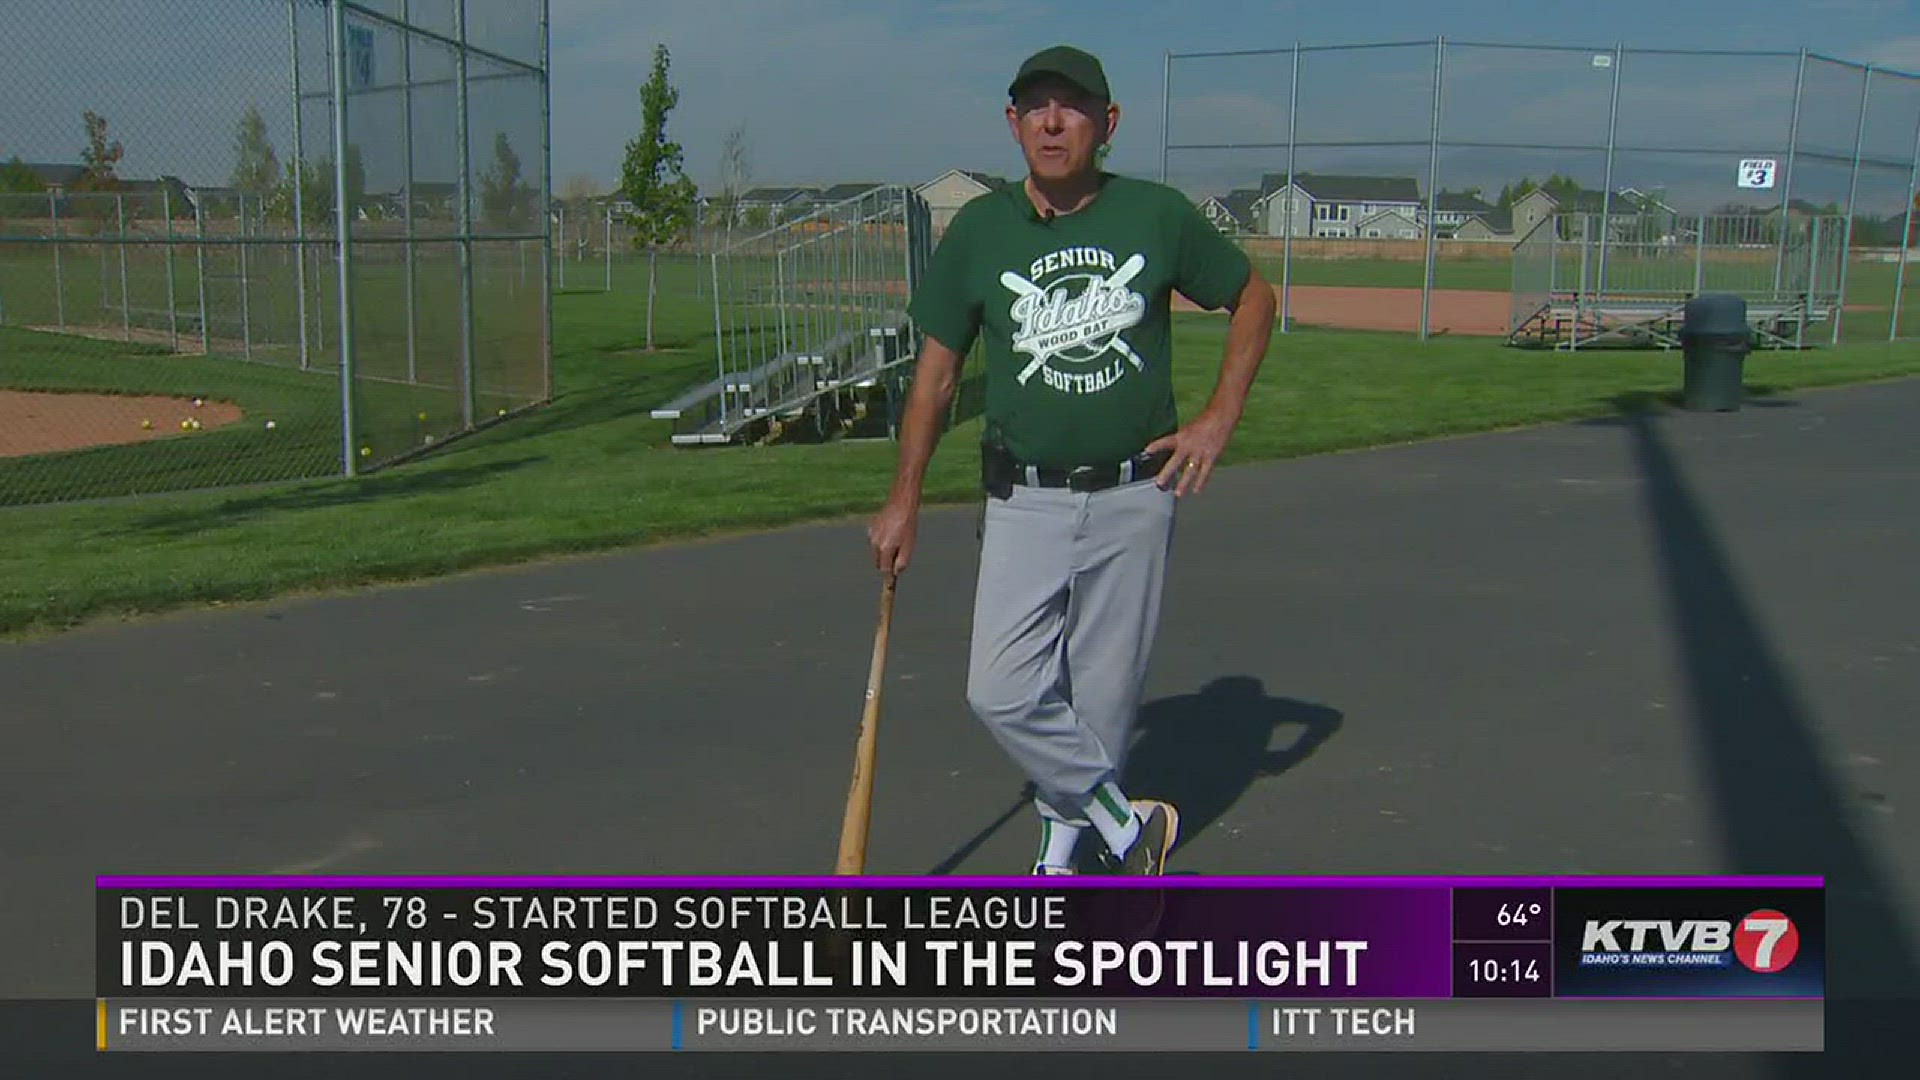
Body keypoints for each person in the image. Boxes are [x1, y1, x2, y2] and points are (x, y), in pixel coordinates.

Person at [866, 44, 1276, 875]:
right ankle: (1128, 827)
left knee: (1104, 702)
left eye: (1073, 107)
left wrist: (1217, 419)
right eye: (1036, 107)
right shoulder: (981, 230)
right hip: (1025, 497)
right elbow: (935, 378)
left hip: (1136, 490)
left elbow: (1254, 297)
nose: (1053, 122)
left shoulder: (1154, 216)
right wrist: (904, 496)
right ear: (1013, 124)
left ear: (1108, 124)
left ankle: (1060, 864)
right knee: (1003, 690)